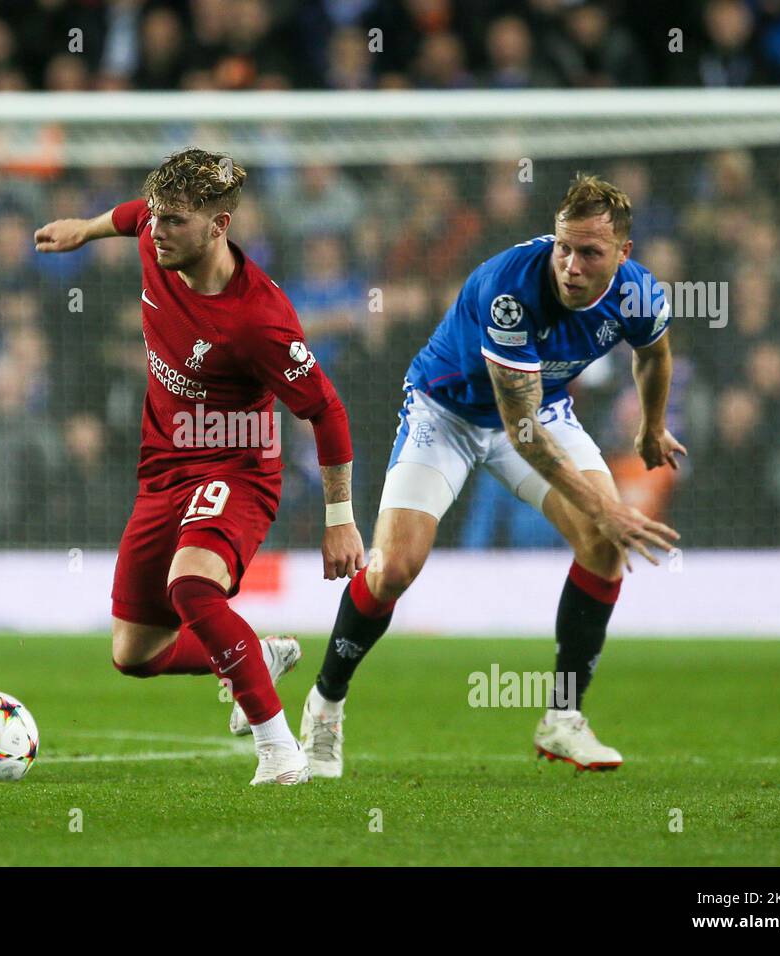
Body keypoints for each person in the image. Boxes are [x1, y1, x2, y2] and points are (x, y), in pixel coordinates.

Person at [301, 174, 685, 776]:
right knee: (393, 569)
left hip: (540, 408)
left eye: (590, 253)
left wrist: (651, 427)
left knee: (603, 543)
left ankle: (563, 718)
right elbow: (522, 432)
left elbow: (654, 353)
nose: (572, 264)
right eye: (565, 247)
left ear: (624, 255)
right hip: (448, 412)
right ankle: (325, 702)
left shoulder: (640, 293)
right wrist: (606, 505)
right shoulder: (510, 291)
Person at [35, 148, 364, 785]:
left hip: (237, 470)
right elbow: (131, 214)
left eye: (175, 221)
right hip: (163, 473)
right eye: (156, 217)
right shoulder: (153, 241)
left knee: (192, 586)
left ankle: (279, 750)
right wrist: (86, 226)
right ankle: (256, 657)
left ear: (220, 226)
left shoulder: (258, 320)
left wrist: (341, 520)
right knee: (134, 654)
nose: (157, 231)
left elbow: (327, 412)